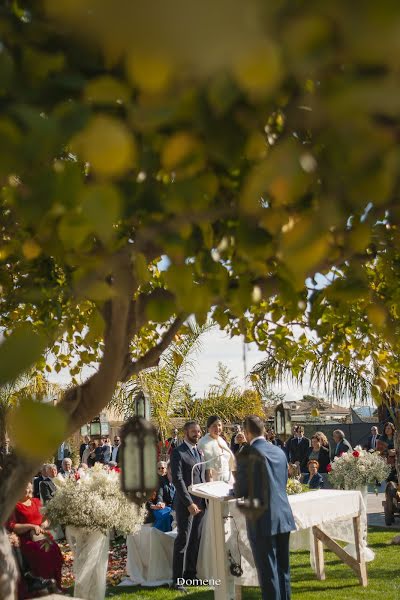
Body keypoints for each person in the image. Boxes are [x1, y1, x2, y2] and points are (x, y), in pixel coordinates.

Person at [235, 415, 295, 600]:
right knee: (283, 569)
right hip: (283, 515)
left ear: (247, 432)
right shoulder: (278, 451)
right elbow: (283, 481)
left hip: (262, 517)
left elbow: (242, 489)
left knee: (267, 571)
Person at [7, 482, 63, 591]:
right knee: (39, 553)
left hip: (42, 535)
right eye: (26, 489)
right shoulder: (14, 505)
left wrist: (44, 524)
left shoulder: (36, 501)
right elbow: (13, 526)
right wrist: (31, 526)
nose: (30, 491)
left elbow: (46, 517)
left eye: (30, 488)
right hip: (26, 539)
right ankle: (40, 585)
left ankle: (55, 584)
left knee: (54, 549)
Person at [170, 420, 206, 591]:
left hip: (201, 503)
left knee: (195, 540)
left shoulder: (199, 451)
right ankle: (177, 580)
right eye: (193, 431)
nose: (197, 434)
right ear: (186, 432)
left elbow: (201, 476)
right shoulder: (178, 452)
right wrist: (189, 503)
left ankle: (190, 575)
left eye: (198, 431)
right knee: (183, 540)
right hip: (186, 504)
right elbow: (178, 480)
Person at [197, 415, 235, 482]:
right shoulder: (203, 443)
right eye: (214, 426)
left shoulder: (221, 440)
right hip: (215, 481)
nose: (217, 428)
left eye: (219, 425)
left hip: (229, 479)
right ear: (208, 428)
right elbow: (208, 470)